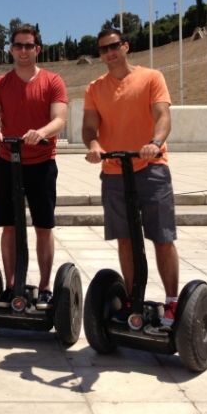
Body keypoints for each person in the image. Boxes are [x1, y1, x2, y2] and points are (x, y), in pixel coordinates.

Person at [82, 28, 180, 329]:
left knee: (162, 237)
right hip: (114, 170)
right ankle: (132, 298)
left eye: (113, 46)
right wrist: (95, 146)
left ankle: (173, 302)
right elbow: (89, 127)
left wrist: (154, 142)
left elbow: (163, 116)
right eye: (103, 49)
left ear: (125, 46)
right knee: (125, 239)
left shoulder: (152, 77)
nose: (109, 53)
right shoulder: (95, 88)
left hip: (151, 167)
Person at [0, 24, 68, 310]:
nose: (23, 50)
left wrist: (42, 132)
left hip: (41, 161)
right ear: (11, 49)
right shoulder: (0, 83)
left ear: (37, 49)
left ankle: (44, 287)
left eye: (28, 45)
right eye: (18, 45)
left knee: (43, 226)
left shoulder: (53, 81)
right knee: (9, 227)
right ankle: (10, 285)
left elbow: (59, 119)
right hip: (8, 160)